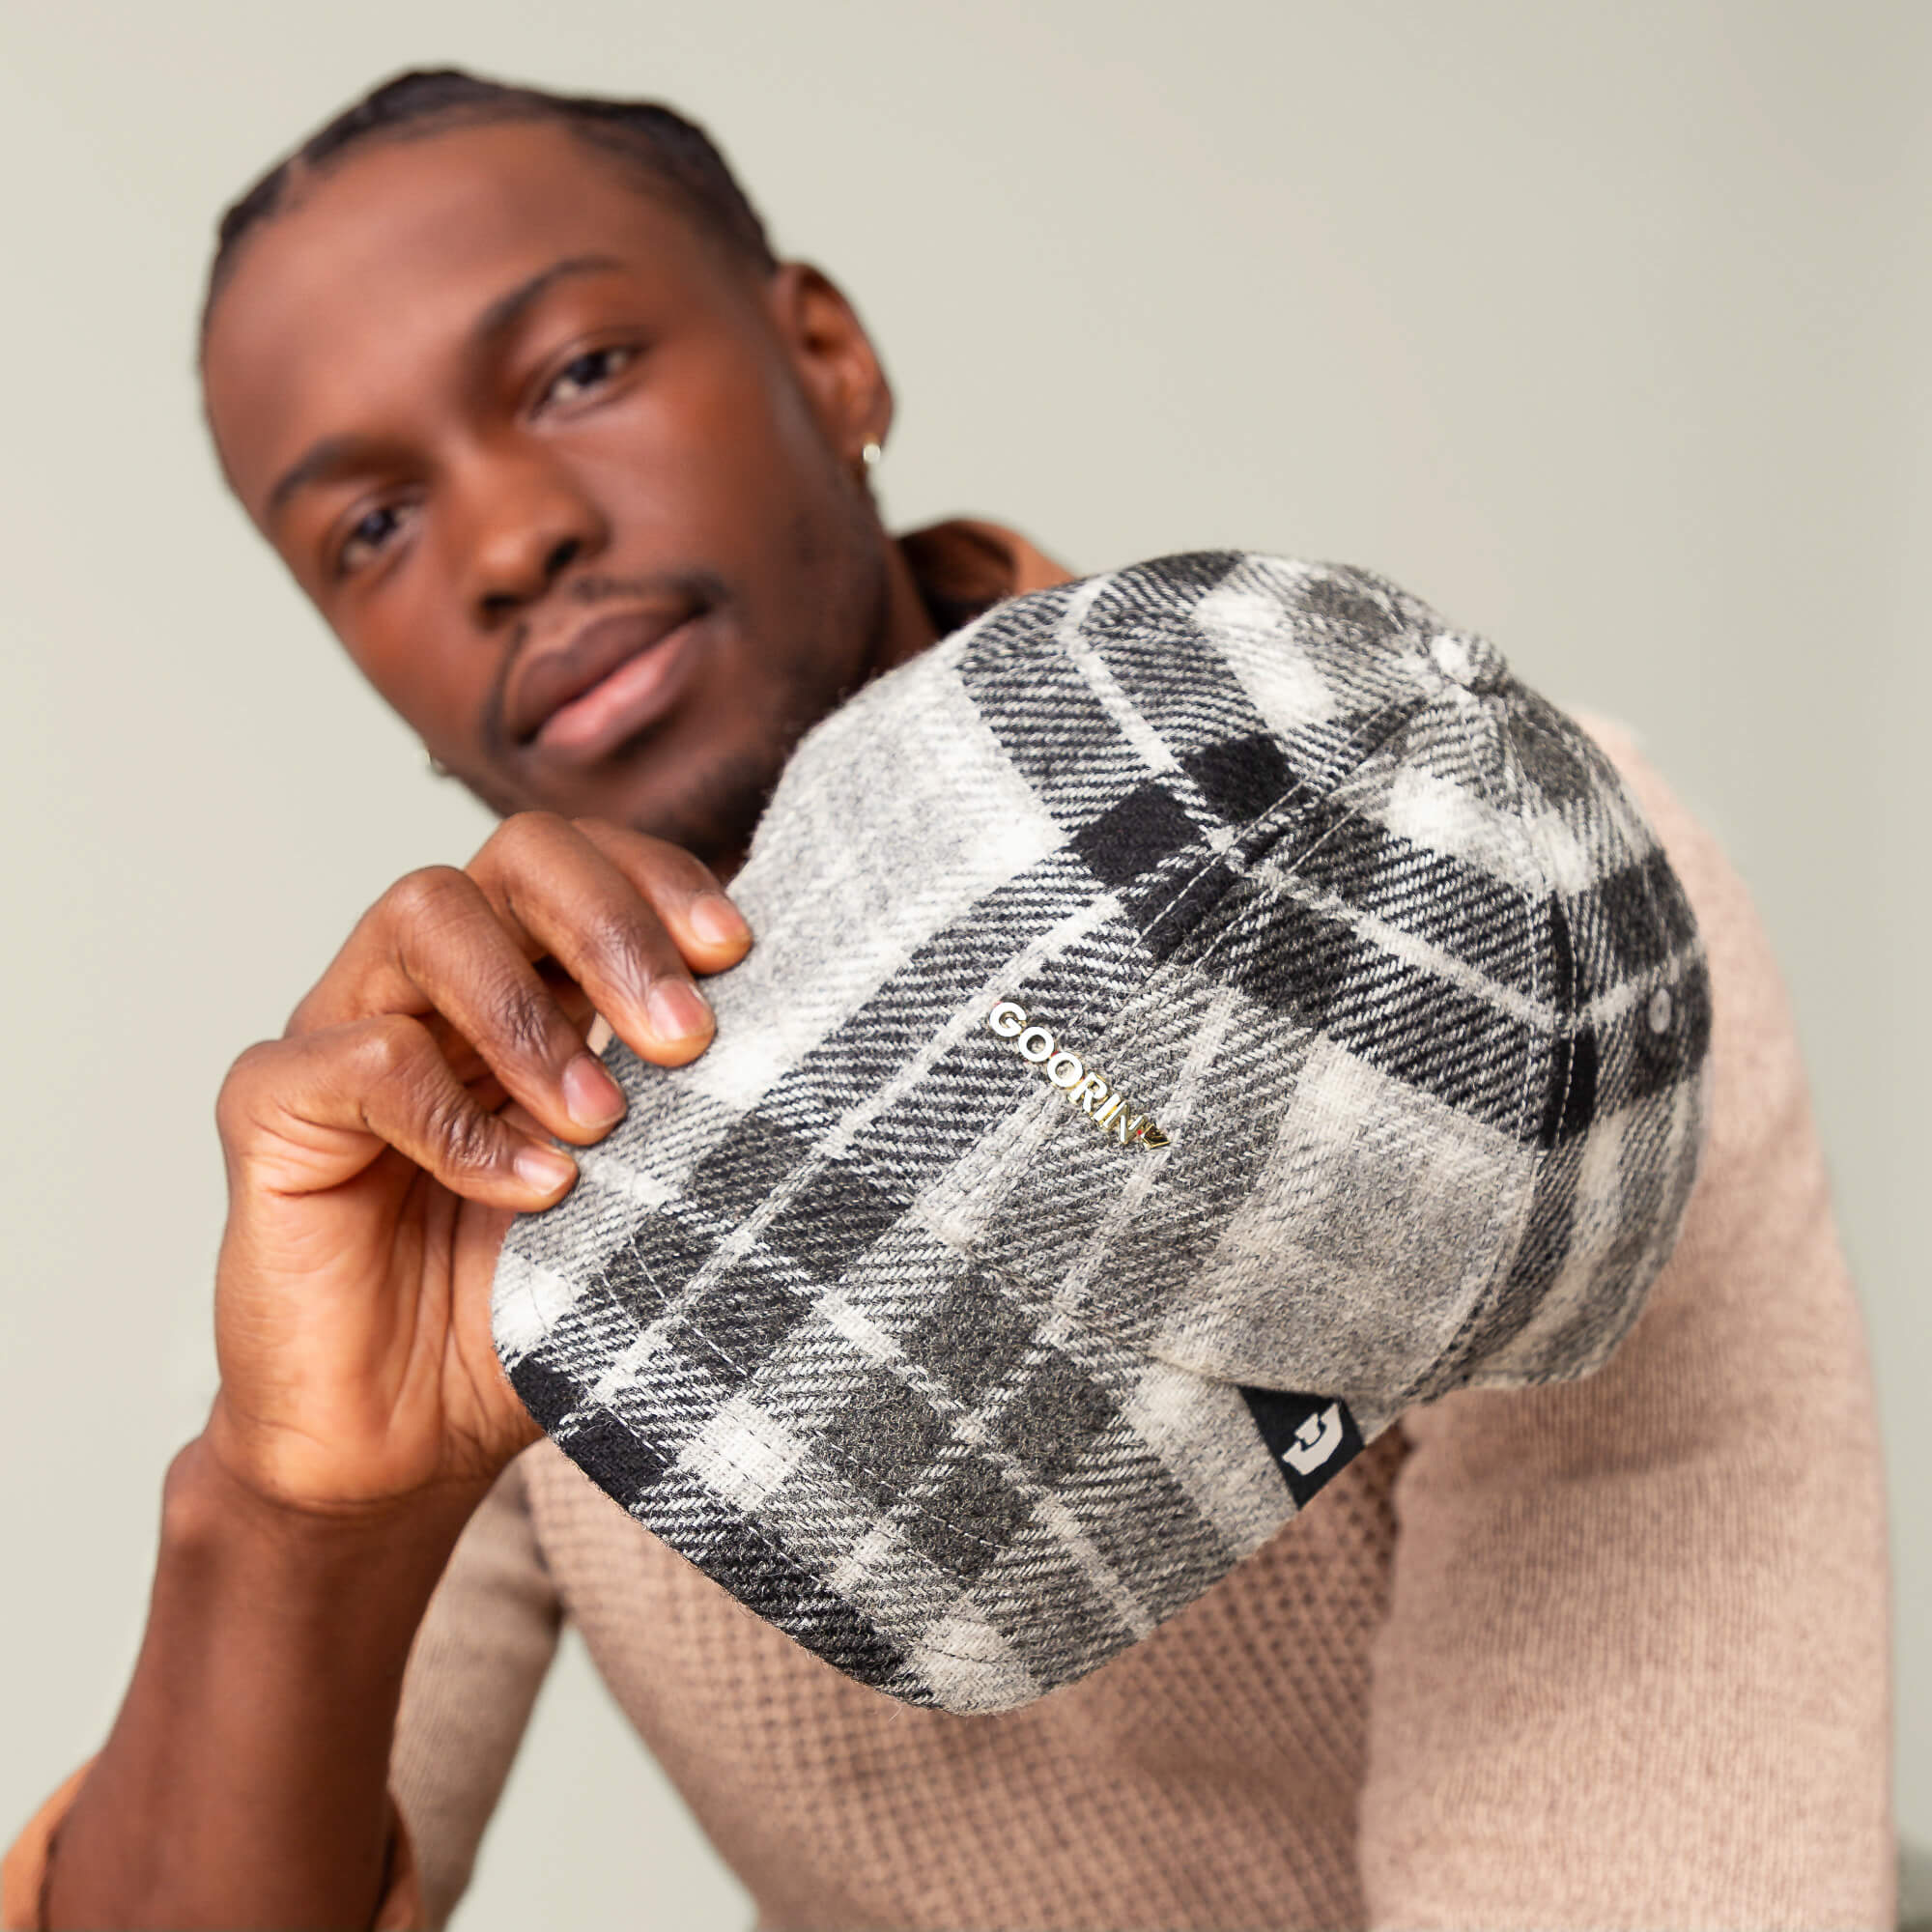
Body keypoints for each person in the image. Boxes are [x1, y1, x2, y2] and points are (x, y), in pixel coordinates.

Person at [2, 66, 1896, 1932]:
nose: (509, 546)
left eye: (579, 371)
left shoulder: (1480, 894)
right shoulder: (507, 1130)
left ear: (827, 358)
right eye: (367, 531)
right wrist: (293, 1514)